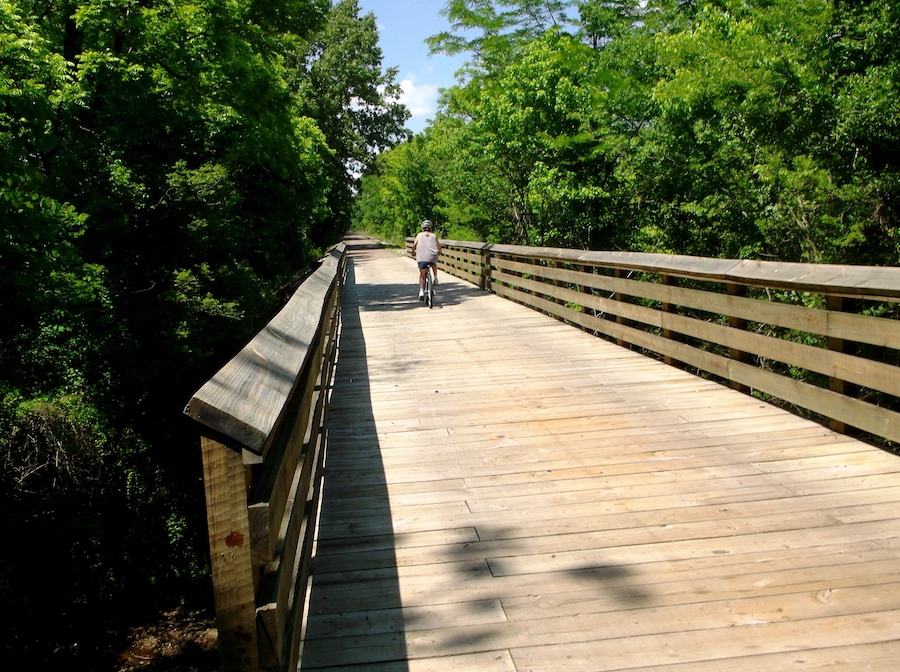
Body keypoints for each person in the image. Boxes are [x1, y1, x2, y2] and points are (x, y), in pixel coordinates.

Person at [412, 220, 441, 300]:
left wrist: (413, 251)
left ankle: (421, 291)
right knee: (434, 263)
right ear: (430, 228)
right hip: (432, 257)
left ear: (423, 228)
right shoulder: (434, 236)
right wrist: (440, 252)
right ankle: (435, 277)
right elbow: (439, 246)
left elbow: (414, 245)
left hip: (421, 258)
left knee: (422, 275)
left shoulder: (419, 235)